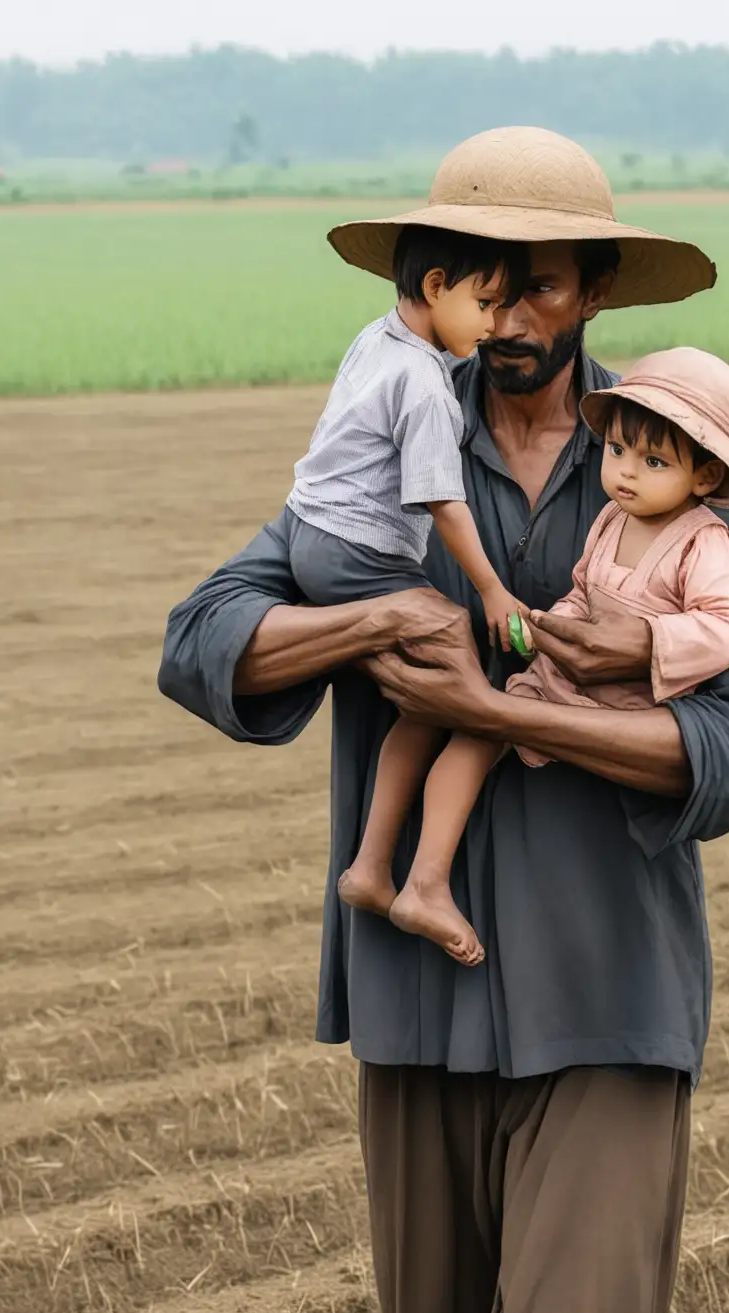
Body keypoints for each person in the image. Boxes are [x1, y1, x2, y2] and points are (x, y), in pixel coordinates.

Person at [158, 126, 729, 1313]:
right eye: (483, 280)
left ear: (598, 291)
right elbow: (201, 642)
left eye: (545, 285)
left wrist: (503, 709)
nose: (511, 313)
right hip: (414, 1011)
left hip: (610, 1008)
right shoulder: (385, 437)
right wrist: (379, 618)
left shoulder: (685, 481)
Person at [403, 346, 729, 966]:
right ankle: (425, 879)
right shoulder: (610, 522)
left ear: (703, 477)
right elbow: (581, 590)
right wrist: (551, 628)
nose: (625, 473)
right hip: (562, 678)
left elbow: (726, 628)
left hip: (626, 707)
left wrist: (650, 643)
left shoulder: (705, 543)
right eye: (617, 451)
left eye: (653, 461)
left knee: (563, 765)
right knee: (474, 730)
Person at [281, 223, 534, 964]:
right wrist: (492, 591)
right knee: (470, 690)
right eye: (486, 303)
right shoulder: (428, 385)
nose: (495, 325)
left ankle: (368, 867)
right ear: (434, 289)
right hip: (359, 552)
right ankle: (421, 881)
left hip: (311, 536)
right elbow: (442, 503)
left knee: (424, 704)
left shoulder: (376, 339)